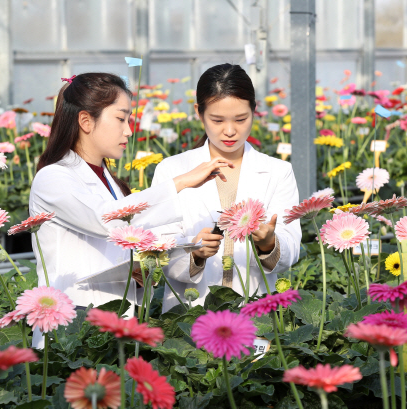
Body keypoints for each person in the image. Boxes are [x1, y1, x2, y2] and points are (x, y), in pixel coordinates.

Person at [29, 73, 231, 344]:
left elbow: (121, 239)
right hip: (70, 322)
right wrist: (181, 182)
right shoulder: (53, 178)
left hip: (115, 322)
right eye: (121, 119)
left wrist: (141, 266)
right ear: (86, 121)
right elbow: (105, 221)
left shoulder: (110, 182)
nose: (128, 130)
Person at [152, 64, 301, 312]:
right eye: (217, 120)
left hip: (255, 311)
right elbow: (160, 248)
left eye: (241, 119)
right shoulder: (172, 170)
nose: (230, 131)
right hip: (189, 313)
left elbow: (291, 249)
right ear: (199, 113)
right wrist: (196, 253)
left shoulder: (278, 172)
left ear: (254, 111)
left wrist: (268, 243)